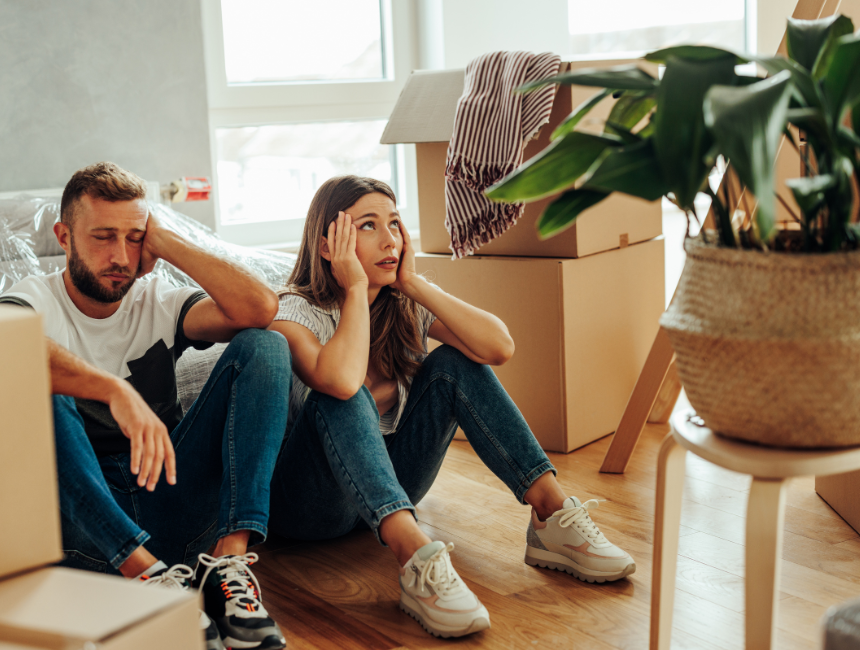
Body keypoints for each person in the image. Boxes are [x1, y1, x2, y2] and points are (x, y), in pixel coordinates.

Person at [267, 175, 635, 639]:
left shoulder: (403, 306)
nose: (389, 240)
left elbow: (498, 346)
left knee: (454, 361)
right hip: (308, 508)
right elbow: (340, 380)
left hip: (393, 489)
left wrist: (414, 285)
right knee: (345, 392)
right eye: (367, 226)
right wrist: (355, 289)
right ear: (328, 245)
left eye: (395, 224)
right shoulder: (293, 311)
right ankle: (417, 559)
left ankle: (551, 514)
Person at [0, 162, 290, 650]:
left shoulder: (157, 300)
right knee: (38, 384)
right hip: (84, 524)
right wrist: (114, 390)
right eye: (103, 237)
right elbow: (1, 348)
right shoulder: (32, 300)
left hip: (169, 498)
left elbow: (258, 309)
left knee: (266, 346)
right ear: (64, 237)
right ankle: (147, 580)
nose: (120, 256)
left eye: (133, 238)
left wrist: (167, 242)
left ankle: (229, 563)